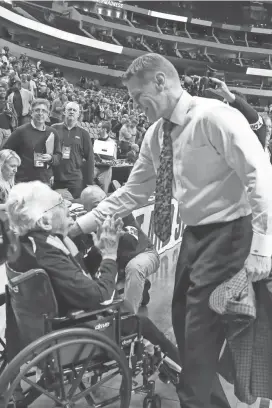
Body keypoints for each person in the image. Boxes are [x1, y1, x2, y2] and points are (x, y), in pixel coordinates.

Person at [70, 54, 272, 408]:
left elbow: (260, 177)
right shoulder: (154, 133)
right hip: (196, 236)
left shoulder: (215, 117)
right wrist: (79, 225)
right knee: (183, 323)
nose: (134, 105)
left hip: (233, 233)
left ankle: (194, 401)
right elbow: (134, 191)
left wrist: (262, 247)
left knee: (198, 332)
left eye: (137, 96)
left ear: (161, 82)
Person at [6, 181, 180, 366]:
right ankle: (184, 372)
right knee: (139, 322)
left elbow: (74, 277)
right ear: (44, 222)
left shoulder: (29, 245)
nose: (68, 205)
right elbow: (100, 297)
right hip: (75, 332)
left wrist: (98, 251)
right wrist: (110, 256)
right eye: (59, 203)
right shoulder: (47, 252)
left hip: (46, 328)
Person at [80, 185, 159, 312]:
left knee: (134, 267)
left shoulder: (120, 212)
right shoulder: (85, 225)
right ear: (87, 210)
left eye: (105, 200)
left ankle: (128, 318)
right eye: (96, 205)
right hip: (116, 263)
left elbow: (132, 243)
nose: (103, 206)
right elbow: (87, 261)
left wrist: (115, 236)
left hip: (145, 253)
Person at [3, 99, 62, 186]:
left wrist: (51, 158)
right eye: (37, 110)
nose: (40, 113)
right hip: (22, 181)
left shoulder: (53, 132)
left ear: (48, 114)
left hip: (44, 181)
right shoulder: (20, 131)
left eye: (44, 111)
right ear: (31, 112)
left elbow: (59, 156)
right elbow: (5, 151)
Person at [52, 102, 94, 199]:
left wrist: (90, 182)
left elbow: (90, 159)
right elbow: (48, 152)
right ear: (64, 112)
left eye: (74, 110)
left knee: (75, 207)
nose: (71, 112)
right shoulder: (54, 129)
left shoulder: (84, 134)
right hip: (56, 177)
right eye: (69, 109)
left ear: (78, 114)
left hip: (75, 179)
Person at [94, 121, 117, 194]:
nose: (97, 129)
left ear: (105, 129)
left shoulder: (112, 143)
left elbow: (113, 162)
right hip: (94, 171)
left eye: (99, 127)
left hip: (105, 172)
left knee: (103, 195)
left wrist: (101, 161)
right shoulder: (96, 141)